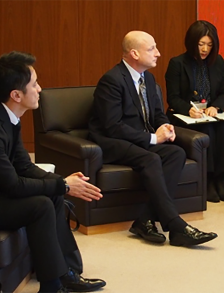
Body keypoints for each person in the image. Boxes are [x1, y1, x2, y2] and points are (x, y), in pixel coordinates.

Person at [89, 31, 217, 246]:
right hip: (111, 141)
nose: (158, 53)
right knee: (151, 158)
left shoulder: (147, 77)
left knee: (176, 152)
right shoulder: (111, 80)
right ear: (134, 53)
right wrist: (152, 138)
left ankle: (144, 219)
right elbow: (112, 126)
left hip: (136, 139)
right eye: (152, 49)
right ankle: (175, 225)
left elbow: (157, 113)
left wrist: (165, 126)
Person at [0, 51, 106, 293]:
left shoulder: (11, 118)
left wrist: (60, 183)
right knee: (41, 205)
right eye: (34, 84)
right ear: (16, 94)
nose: (40, 89)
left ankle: (65, 274)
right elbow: (13, 185)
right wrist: (65, 186)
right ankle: (52, 286)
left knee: (53, 194)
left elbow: (24, 166)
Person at [165, 20, 224, 203]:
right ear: (192, 42)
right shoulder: (177, 63)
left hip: (210, 114)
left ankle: (220, 179)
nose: (205, 50)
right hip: (186, 117)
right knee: (207, 130)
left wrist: (215, 107)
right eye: (201, 44)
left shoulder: (218, 62)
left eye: (210, 45)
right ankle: (208, 180)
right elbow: (173, 98)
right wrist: (189, 110)